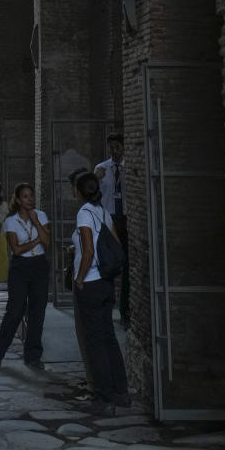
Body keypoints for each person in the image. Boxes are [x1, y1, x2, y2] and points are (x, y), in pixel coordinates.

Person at [71, 170, 131, 412]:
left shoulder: (84, 214)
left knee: (94, 341)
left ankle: (103, 396)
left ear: (78, 192)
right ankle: (121, 392)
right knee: (108, 338)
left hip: (92, 283)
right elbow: (115, 245)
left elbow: (88, 251)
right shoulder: (104, 212)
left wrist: (80, 278)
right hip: (106, 284)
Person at [0, 182, 50, 370]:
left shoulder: (41, 215)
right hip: (20, 268)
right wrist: (36, 240)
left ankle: (32, 355)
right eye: (25, 196)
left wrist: (36, 222)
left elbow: (47, 242)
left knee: (37, 312)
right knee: (15, 311)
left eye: (31, 196)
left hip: (39, 266)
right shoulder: (11, 221)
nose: (30, 199)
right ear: (18, 200)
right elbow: (16, 249)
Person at [95, 130, 128, 322]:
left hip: (126, 218)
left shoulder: (129, 167)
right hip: (108, 220)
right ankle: (106, 305)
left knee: (127, 265)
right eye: (112, 148)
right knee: (107, 263)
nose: (114, 151)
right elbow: (93, 194)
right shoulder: (101, 168)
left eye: (118, 147)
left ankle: (125, 310)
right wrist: (95, 178)